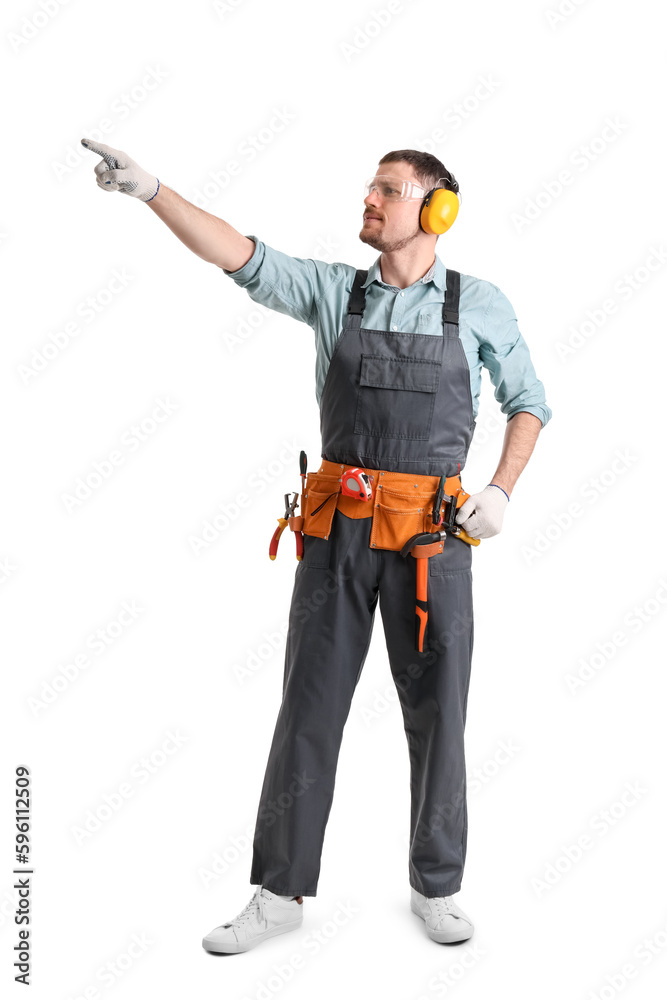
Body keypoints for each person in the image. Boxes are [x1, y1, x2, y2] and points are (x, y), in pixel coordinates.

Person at [81, 140, 552, 953]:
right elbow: (238, 252)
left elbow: (529, 402)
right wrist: (154, 190)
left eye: (388, 190)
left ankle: (434, 885)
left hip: (435, 542)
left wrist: (501, 490)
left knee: (439, 715)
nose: (369, 200)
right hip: (337, 533)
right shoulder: (337, 293)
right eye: (369, 187)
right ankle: (279, 890)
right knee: (308, 709)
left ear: (436, 210)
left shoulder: (478, 305)